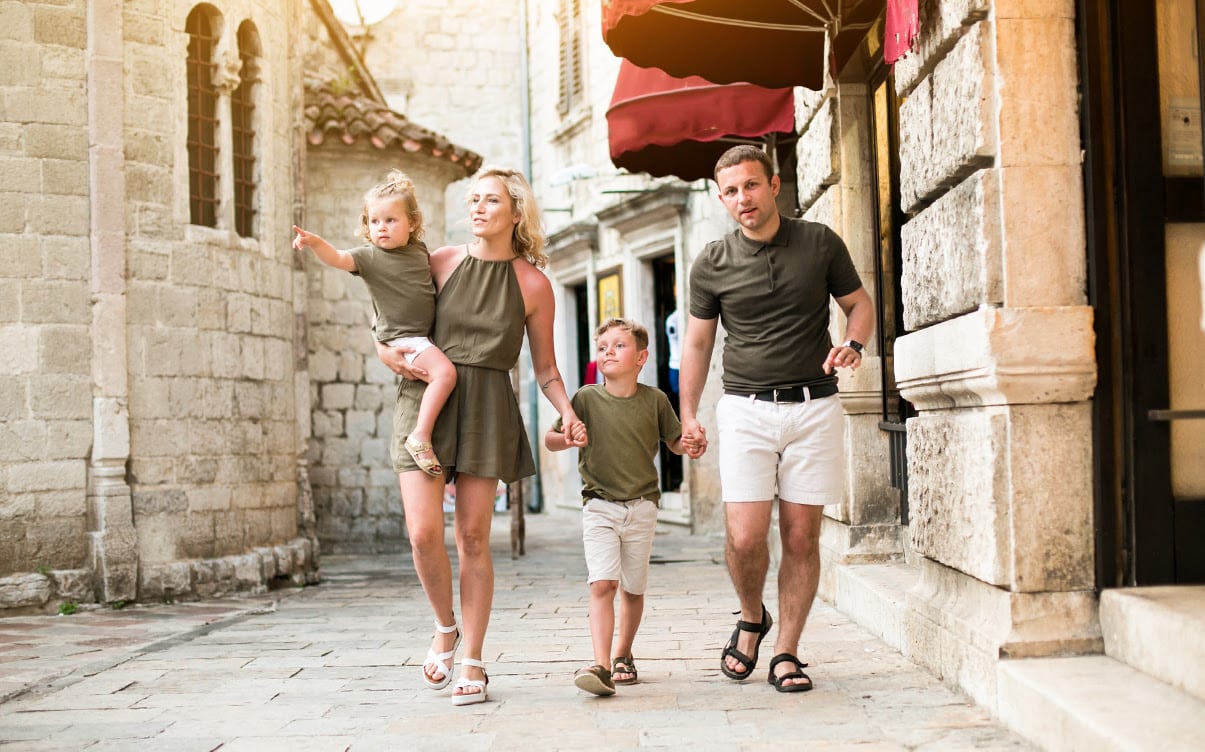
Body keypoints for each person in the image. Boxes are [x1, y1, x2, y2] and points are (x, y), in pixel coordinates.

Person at [375, 166, 586, 706]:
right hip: (425, 402)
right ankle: (445, 627)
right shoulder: (439, 262)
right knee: (423, 534)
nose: (477, 208)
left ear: (515, 212)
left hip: (488, 408)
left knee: (472, 538)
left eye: (490, 200)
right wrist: (388, 357)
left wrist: (566, 412)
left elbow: (546, 369)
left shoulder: (533, 284)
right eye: (473, 199)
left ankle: (473, 658)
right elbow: (392, 329)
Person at [678, 144, 875, 693]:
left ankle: (786, 650)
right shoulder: (712, 262)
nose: (743, 198)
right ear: (721, 199)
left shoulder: (818, 242)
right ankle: (751, 617)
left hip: (815, 407)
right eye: (731, 191)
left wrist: (854, 344)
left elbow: (860, 304)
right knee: (744, 538)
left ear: (774, 184)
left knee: (801, 537)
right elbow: (697, 343)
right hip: (745, 409)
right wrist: (687, 413)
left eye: (751, 185)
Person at [545, 318, 703, 697]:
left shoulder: (656, 400)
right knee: (603, 582)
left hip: (642, 506)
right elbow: (550, 439)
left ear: (641, 357)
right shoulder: (584, 398)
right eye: (602, 347)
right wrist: (568, 438)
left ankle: (622, 654)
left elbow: (675, 442)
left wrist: (690, 444)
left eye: (619, 346)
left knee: (632, 589)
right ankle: (600, 665)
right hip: (598, 504)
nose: (608, 352)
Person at [292, 170, 455, 477]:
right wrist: (315, 243)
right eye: (374, 221)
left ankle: (424, 432)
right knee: (445, 374)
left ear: (413, 223)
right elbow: (339, 258)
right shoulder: (369, 257)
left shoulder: (418, 251)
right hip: (405, 338)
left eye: (391, 220)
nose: (381, 228)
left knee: (443, 374)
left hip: (422, 336)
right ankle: (420, 435)